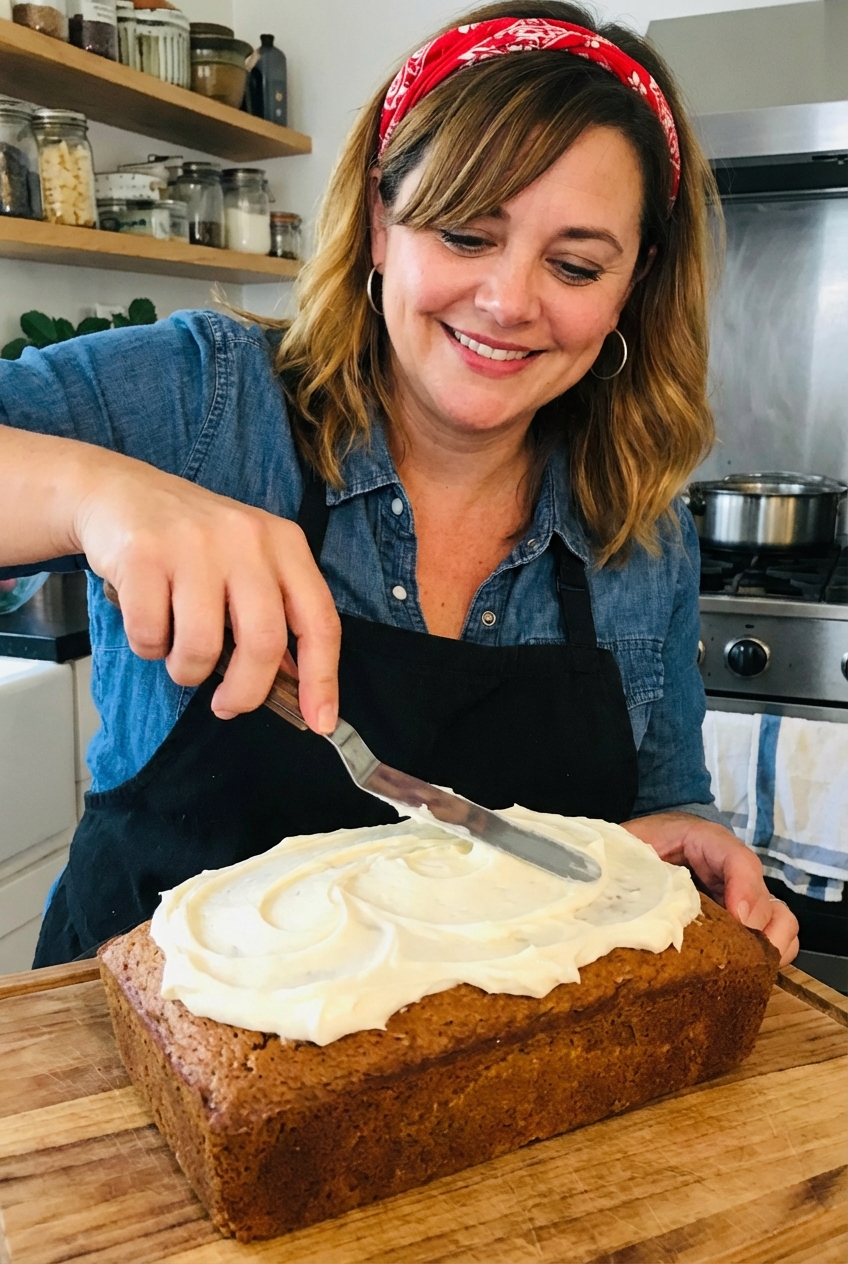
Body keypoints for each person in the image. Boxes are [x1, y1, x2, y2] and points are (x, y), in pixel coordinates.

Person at [0, 1, 798, 968]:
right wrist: (100, 493)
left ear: (632, 284)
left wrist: (677, 841)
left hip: (465, 1079)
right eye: (466, 235)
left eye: (576, 264)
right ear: (382, 222)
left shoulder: (642, 532)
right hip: (128, 1051)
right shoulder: (203, 400)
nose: (508, 301)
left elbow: (659, 800)